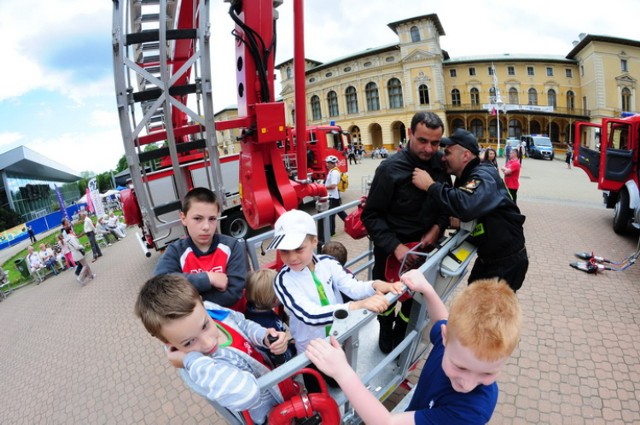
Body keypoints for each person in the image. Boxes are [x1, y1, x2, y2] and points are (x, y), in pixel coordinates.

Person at [305, 269, 522, 425]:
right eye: (462, 368)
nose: (468, 383)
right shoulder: (453, 341)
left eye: (487, 373)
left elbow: (387, 422)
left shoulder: (472, 410)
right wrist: (427, 289)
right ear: (445, 340)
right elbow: (442, 322)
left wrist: (342, 371)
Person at [269, 209, 402, 392]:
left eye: (299, 249)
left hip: (337, 337)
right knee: (315, 387)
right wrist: (356, 306)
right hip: (311, 347)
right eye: (284, 250)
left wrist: (375, 285)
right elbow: (309, 314)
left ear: (314, 241)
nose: (291, 257)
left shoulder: (328, 263)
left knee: (336, 380)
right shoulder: (283, 280)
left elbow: (352, 286)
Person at [134, 274, 290, 425]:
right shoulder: (199, 369)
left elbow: (241, 323)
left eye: (205, 326)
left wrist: (263, 335)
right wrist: (189, 360)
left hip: (276, 381)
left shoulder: (211, 310)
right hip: (266, 414)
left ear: (202, 304)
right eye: (189, 343)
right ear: (170, 344)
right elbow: (246, 394)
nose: (208, 344)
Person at [362, 111, 451, 354]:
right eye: (423, 140)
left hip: (423, 250)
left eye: (435, 142)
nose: (429, 149)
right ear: (410, 134)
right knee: (386, 296)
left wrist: (437, 228)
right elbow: (370, 215)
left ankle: (402, 330)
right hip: (392, 250)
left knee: (415, 297)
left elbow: (446, 204)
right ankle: (385, 328)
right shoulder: (389, 169)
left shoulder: (440, 166)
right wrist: (395, 247)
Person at [412, 128, 528, 292]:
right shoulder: (464, 179)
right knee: (474, 301)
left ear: (465, 155)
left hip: (506, 261)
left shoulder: (483, 174)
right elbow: (465, 206)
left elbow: (466, 205)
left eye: (448, 153)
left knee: (488, 311)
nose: (443, 158)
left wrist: (430, 186)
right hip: (489, 257)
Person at [153, 187, 247, 310]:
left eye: (212, 219)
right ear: (183, 218)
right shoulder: (176, 251)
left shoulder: (232, 247)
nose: (206, 227)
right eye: (198, 218)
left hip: (233, 324)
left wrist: (187, 299)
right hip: (196, 327)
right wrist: (208, 278)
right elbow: (160, 284)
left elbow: (233, 294)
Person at [245, 268, 297, 366]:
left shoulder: (249, 310)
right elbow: (279, 359)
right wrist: (293, 346)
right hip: (273, 366)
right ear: (276, 300)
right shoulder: (272, 327)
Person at [62, 217, 96, 285]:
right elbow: (75, 246)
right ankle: (80, 277)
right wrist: (81, 246)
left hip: (75, 252)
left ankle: (90, 275)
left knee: (85, 264)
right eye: (67, 222)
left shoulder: (69, 234)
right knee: (85, 265)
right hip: (77, 252)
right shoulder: (67, 235)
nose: (68, 223)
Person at [324, 155, 348, 236]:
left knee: (331, 214)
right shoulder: (332, 171)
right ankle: (350, 223)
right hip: (334, 195)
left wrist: (323, 187)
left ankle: (331, 232)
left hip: (332, 196)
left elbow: (333, 186)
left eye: (328, 163)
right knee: (340, 211)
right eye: (327, 163)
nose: (327, 164)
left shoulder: (334, 172)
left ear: (333, 163)